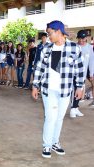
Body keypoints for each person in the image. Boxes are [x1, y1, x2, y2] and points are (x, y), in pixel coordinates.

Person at [32, 20, 84, 158]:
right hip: (48, 89)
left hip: (65, 90)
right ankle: (47, 145)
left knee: (59, 118)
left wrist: (79, 86)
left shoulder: (74, 48)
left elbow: (79, 69)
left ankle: (55, 142)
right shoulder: (46, 48)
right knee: (50, 117)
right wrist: (35, 85)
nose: (48, 37)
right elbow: (39, 68)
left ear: (58, 32)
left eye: (50, 33)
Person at [70, 30, 94, 117]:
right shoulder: (75, 46)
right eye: (79, 38)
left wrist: (91, 73)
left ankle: (75, 108)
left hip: (83, 74)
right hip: (73, 73)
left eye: (83, 38)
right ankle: (73, 108)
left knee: (79, 91)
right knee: (74, 90)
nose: (81, 41)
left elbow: (91, 61)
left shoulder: (90, 48)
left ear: (86, 38)